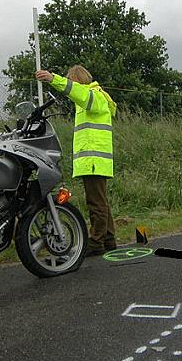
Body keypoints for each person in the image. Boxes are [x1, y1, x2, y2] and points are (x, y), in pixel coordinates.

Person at [35, 65, 117, 257]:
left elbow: (76, 91)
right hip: (94, 159)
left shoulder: (93, 96)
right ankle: (108, 239)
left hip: (94, 160)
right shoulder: (94, 98)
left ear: (77, 81)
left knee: (95, 202)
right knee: (100, 201)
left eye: (71, 80)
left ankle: (96, 242)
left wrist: (53, 78)